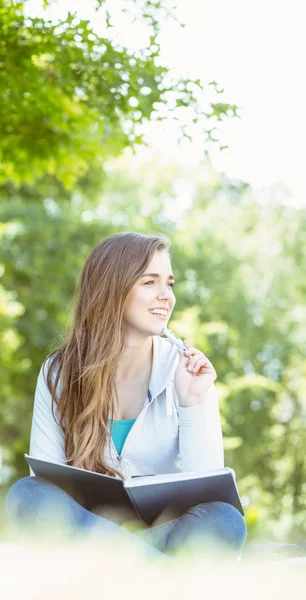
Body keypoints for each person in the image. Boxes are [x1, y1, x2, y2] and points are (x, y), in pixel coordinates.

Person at [6, 232, 246, 559]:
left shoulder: (187, 372)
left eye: (170, 284)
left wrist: (191, 402)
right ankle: (158, 574)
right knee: (27, 495)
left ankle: (125, 566)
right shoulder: (59, 371)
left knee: (225, 519)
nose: (167, 296)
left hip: (158, 535)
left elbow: (207, 492)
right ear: (112, 289)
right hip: (89, 527)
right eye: (150, 282)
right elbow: (47, 485)